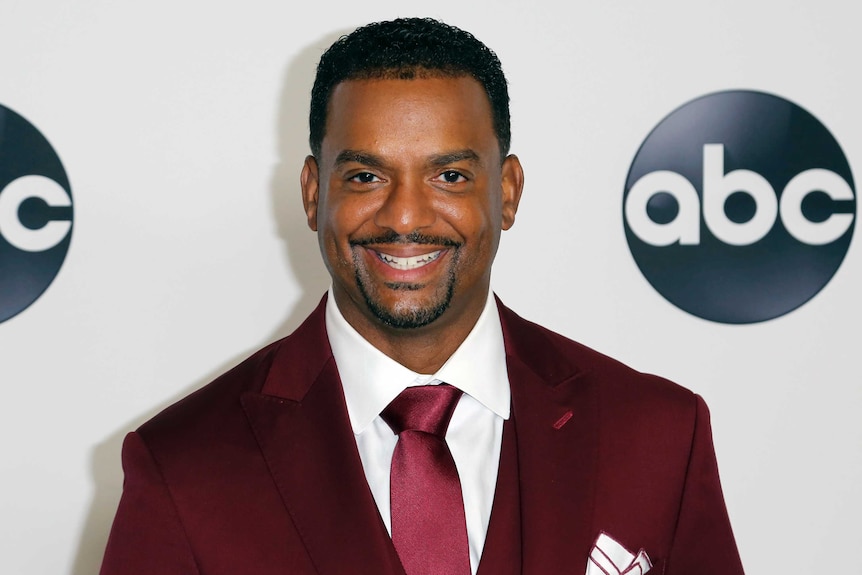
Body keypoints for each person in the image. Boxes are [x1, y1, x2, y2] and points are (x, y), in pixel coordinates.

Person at [99, 17, 744, 575]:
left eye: (450, 175)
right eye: (365, 175)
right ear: (312, 192)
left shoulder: (658, 436)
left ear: (509, 190)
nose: (405, 215)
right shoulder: (183, 468)